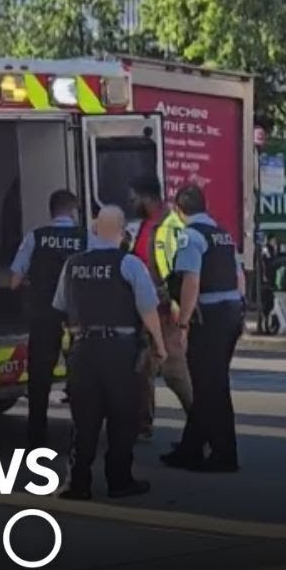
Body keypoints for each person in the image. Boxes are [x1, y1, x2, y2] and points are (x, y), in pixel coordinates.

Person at [52, 205, 167, 500]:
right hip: (119, 349)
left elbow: (62, 307)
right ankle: (119, 480)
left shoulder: (72, 264)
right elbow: (148, 308)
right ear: (122, 233)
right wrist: (159, 344)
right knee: (122, 416)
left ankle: (77, 483)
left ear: (93, 231)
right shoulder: (129, 264)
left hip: (82, 348)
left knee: (84, 419)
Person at [160, 183, 246, 472]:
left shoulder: (190, 236)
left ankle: (224, 455)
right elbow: (239, 276)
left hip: (209, 316)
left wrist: (182, 323)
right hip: (231, 311)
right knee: (208, 383)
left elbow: (191, 281)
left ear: (178, 209)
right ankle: (191, 448)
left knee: (213, 387)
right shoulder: (223, 235)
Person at [9, 189, 86, 444]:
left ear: (51, 211)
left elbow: (14, 281)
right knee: (81, 377)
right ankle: (83, 432)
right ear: (74, 211)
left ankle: (36, 436)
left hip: (44, 315)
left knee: (40, 378)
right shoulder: (87, 238)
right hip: (78, 318)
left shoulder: (36, 237)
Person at [127, 175, 192, 440]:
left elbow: (183, 270)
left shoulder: (170, 225)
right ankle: (143, 425)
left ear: (147, 198)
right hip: (148, 308)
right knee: (144, 368)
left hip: (166, 310)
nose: (131, 203)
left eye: (134, 198)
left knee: (174, 369)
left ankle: (202, 422)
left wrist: (177, 306)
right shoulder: (146, 225)